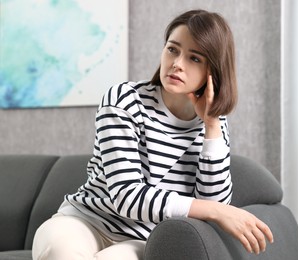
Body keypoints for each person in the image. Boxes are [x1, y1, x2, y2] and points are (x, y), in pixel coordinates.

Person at [32, 9, 273, 260]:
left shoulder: (215, 124)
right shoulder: (124, 100)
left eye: (195, 58)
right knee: (60, 252)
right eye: (173, 49)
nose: (177, 64)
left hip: (143, 238)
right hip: (85, 221)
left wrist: (211, 126)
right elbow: (127, 196)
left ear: (213, 71)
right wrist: (216, 211)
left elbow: (212, 207)